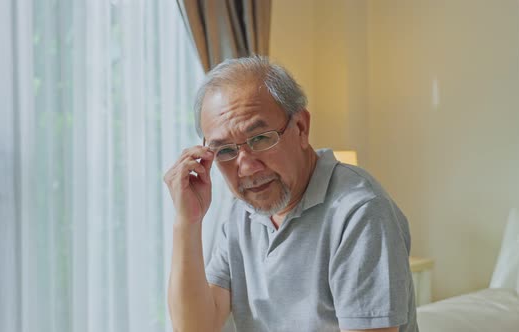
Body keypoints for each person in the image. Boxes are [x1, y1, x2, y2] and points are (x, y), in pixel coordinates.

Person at [163, 56, 418, 332]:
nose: (246, 168)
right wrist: (187, 222)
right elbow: (196, 327)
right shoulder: (242, 213)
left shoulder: (360, 212)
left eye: (260, 138)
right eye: (225, 150)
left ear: (301, 128)